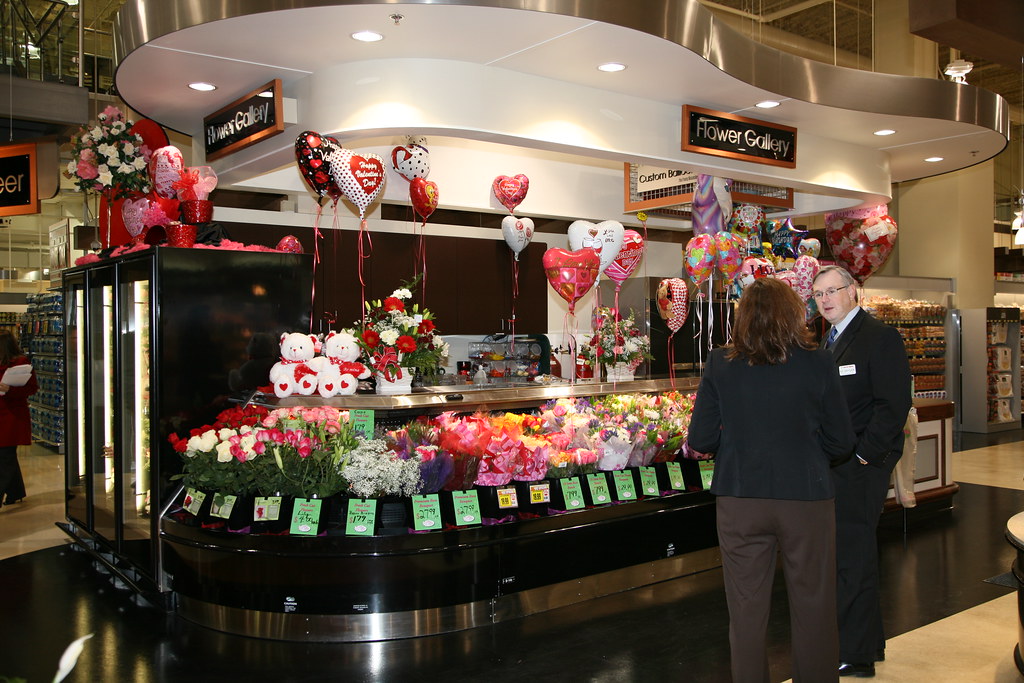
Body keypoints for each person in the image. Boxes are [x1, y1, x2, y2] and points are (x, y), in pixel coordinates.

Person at [688, 277, 855, 683]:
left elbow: (701, 439)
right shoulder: (818, 362)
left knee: (745, 609)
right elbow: (842, 441)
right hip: (806, 497)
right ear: (793, 314)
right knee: (813, 604)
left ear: (741, 316)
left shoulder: (719, 363)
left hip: (740, 498)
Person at [812, 265, 912, 678]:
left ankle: (856, 655)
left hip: (860, 469)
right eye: (818, 294)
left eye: (832, 291)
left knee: (853, 558)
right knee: (844, 557)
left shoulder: (879, 337)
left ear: (854, 291)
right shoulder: (826, 343)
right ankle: (864, 642)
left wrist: (866, 459)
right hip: (833, 468)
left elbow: (893, 406)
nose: (825, 299)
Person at [0, 329, 37, 508]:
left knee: (5, 456)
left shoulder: (20, 363)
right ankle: (16, 491)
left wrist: (10, 390)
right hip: (4, 415)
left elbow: (31, 388)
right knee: (7, 456)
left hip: (11, 417)